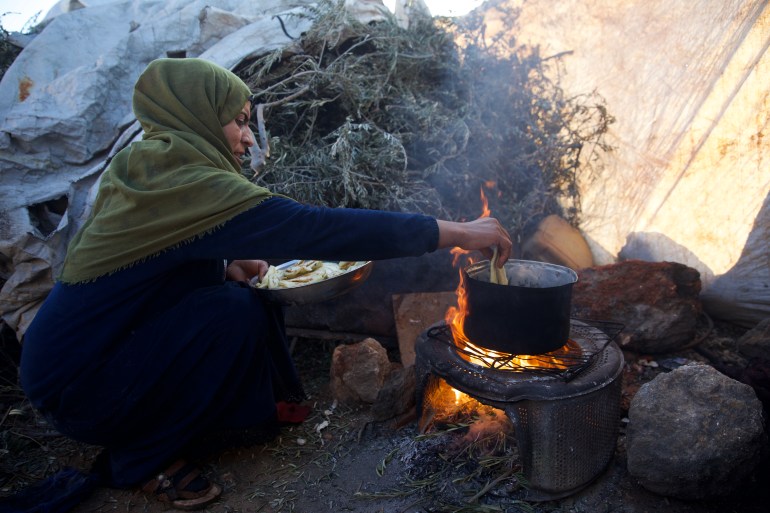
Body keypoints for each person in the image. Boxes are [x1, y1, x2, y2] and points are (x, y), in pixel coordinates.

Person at [17, 58, 512, 510]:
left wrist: (226, 262)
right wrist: (459, 231)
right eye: (237, 121)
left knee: (238, 297)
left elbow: (149, 265)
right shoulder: (183, 181)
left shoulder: (150, 167)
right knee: (231, 314)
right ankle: (140, 459)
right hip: (79, 388)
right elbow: (320, 229)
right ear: (197, 117)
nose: (248, 137)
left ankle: (216, 415)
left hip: (82, 365)